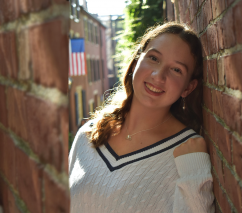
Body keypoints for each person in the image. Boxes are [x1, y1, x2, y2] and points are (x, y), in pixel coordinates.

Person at [69, 22, 215, 213]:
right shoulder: (87, 135)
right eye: (154, 58)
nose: (158, 75)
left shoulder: (187, 154)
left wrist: (193, 169)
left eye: (176, 69)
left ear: (188, 87)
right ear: (137, 60)